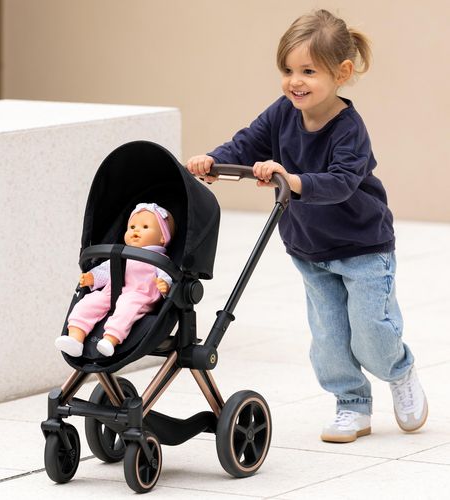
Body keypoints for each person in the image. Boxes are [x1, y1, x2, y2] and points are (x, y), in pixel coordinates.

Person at [187, 9, 427, 443]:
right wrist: (214, 160)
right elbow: (247, 142)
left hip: (363, 248)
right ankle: (351, 404)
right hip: (310, 248)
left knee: (371, 335)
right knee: (329, 338)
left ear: (342, 73)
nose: (294, 81)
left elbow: (340, 182)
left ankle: (400, 370)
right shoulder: (282, 113)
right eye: (288, 70)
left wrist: (291, 179)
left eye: (308, 71)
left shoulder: (349, 129)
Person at [55, 203, 175, 358]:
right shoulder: (122, 254)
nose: (136, 230)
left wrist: (165, 285)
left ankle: (110, 339)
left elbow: (167, 275)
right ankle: (75, 338)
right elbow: (107, 270)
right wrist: (92, 277)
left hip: (140, 295)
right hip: (111, 292)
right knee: (89, 302)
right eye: (132, 227)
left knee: (127, 307)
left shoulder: (159, 260)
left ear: (162, 237)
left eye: (145, 227)